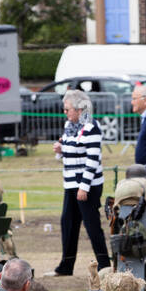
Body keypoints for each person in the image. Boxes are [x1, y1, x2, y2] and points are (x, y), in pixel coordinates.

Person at [48, 89, 111, 277]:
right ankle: (66, 266)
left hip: (87, 186)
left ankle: (104, 264)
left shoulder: (92, 126)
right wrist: (60, 150)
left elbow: (92, 159)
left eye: (67, 109)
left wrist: (84, 187)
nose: (65, 113)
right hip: (70, 184)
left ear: (79, 109)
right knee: (68, 223)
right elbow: (69, 151)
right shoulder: (69, 125)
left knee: (92, 225)